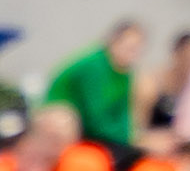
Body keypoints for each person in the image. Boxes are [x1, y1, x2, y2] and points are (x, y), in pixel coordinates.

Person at [42, 19, 147, 152]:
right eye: (129, 48)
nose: (132, 55)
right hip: (63, 122)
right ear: (114, 42)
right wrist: (124, 142)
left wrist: (129, 140)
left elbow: (123, 113)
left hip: (93, 129)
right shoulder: (95, 65)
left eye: (136, 50)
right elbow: (95, 118)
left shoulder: (125, 73)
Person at [142, 28, 190, 147]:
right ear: (176, 54)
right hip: (154, 144)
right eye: (188, 58)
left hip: (185, 146)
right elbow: (138, 129)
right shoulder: (152, 83)